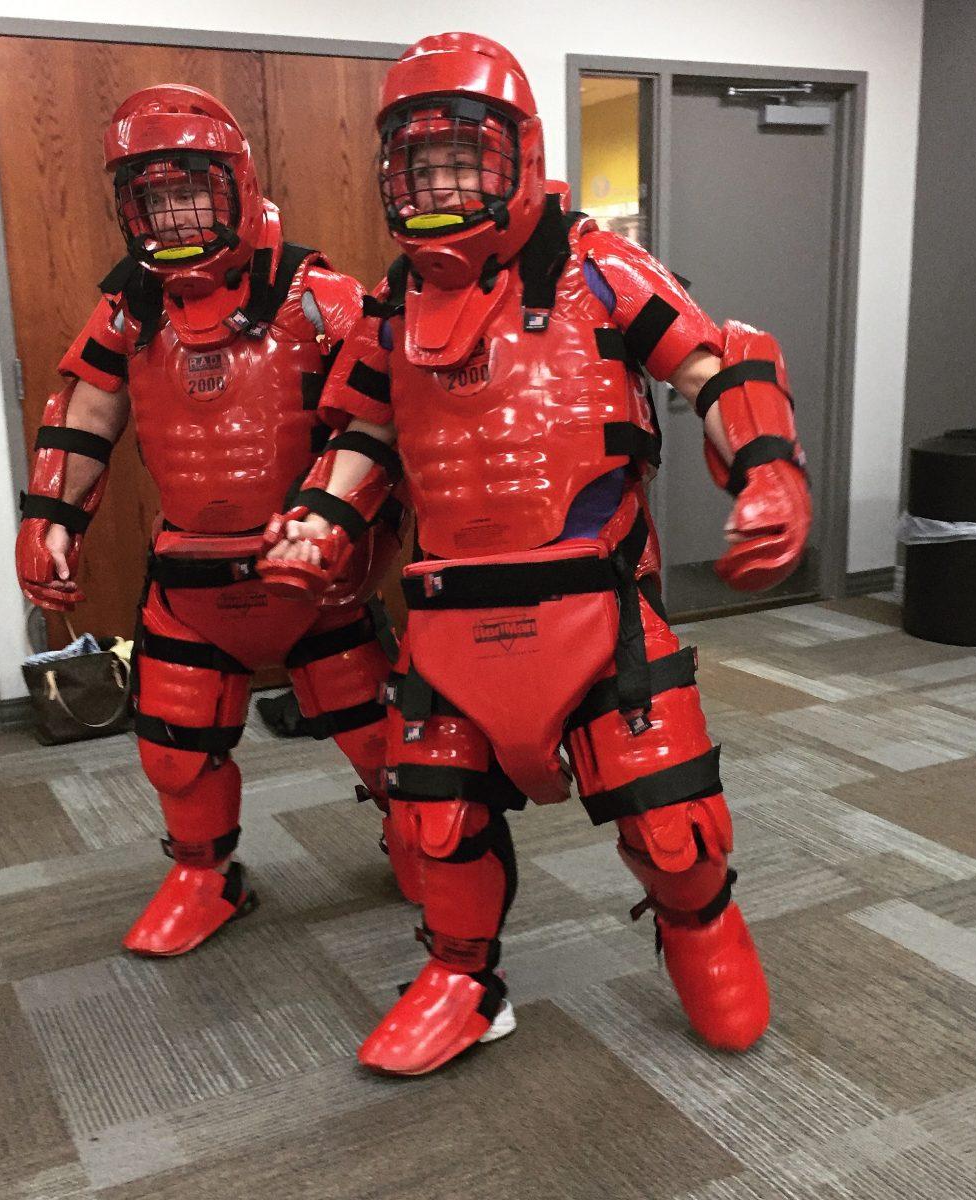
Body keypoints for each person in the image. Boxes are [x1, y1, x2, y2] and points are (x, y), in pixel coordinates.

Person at [263, 32, 810, 1075]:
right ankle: (462, 980)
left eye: (463, 158)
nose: (443, 183)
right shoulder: (389, 309)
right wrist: (322, 523)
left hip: (599, 604)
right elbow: (363, 440)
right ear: (392, 174)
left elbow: (717, 364)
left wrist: (769, 472)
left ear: (518, 153)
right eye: (420, 165)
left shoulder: (602, 268)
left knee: (673, 828)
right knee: (433, 825)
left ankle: (699, 927)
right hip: (451, 614)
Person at [16, 85, 416, 957]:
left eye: (189, 190)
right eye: (151, 197)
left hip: (314, 579)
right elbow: (83, 412)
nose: (173, 213)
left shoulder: (319, 294)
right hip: (190, 581)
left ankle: (421, 843)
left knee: (382, 745)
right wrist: (50, 518)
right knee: (173, 749)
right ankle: (205, 875)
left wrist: (353, 533)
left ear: (235, 181)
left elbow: (382, 418)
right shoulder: (132, 304)